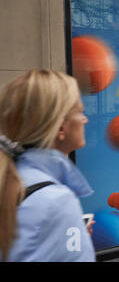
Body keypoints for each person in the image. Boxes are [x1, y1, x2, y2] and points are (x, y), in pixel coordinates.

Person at [0, 69, 95, 261]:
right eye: (79, 112)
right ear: (61, 127)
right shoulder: (57, 201)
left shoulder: (9, 180)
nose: (86, 119)